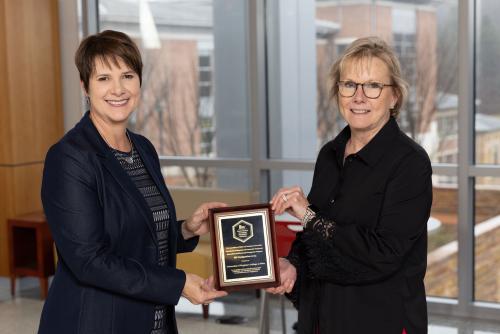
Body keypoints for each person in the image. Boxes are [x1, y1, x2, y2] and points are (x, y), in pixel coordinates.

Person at [38, 30, 227, 334]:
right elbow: (90, 260)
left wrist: (186, 229)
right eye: (103, 78)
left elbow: (136, 236)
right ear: (85, 86)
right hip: (96, 322)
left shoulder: (143, 148)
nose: (118, 89)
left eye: (127, 75)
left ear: (139, 81)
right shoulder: (69, 157)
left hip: (153, 322)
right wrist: (178, 283)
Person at [268, 36, 432, 334]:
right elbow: (313, 238)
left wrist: (309, 216)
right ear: (338, 92)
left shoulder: (410, 163)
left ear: (394, 96)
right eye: (349, 85)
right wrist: (292, 265)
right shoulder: (330, 154)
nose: (359, 97)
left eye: (372, 86)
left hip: (381, 320)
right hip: (321, 315)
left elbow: (384, 254)